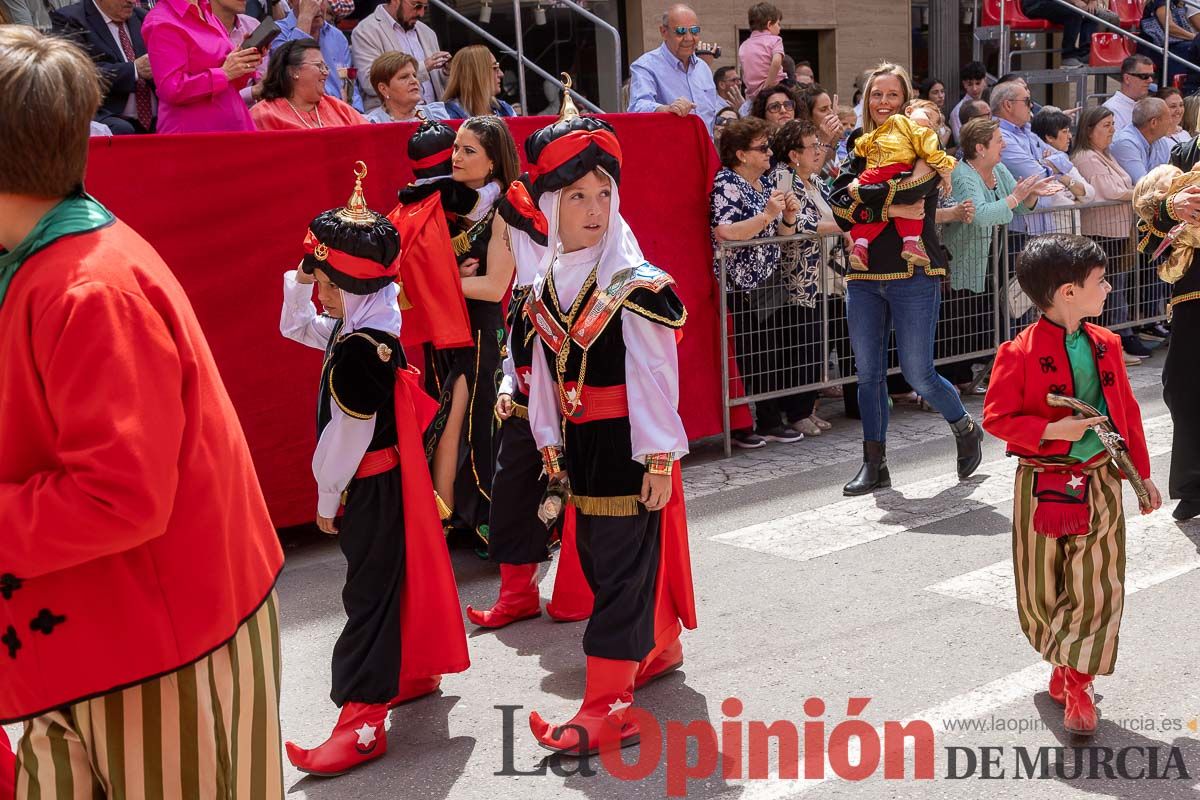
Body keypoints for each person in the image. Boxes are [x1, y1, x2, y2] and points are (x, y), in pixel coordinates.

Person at [0, 26, 285, 795]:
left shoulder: (86, 290)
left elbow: (118, 498)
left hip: (156, 654)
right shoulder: (45, 260)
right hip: (96, 642)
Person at [279, 164, 469, 776]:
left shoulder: (362, 348)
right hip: (386, 481)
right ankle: (411, 671)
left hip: (369, 483)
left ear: (353, 285)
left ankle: (361, 719)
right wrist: (301, 278)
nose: (323, 294)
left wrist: (327, 497)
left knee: (368, 592)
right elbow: (297, 327)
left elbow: (347, 435)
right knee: (389, 580)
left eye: (330, 282)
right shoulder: (364, 327)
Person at [522, 112, 697, 755]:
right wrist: (551, 449)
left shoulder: (636, 285)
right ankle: (659, 646)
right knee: (600, 563)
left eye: (603, 194)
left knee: (620, 571)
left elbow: (657, 377)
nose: (594, 209)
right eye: (576, 196)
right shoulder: (541, 287)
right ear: (550, 205)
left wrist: (658, 461)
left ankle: (606, 706)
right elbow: (541, 378)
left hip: (629, 445)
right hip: (581, 449)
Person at [982, 234, 1161, 737]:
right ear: (1066, 292)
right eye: (1099, 282)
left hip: (1101, 478)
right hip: (1042, 485)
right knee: (1042, 588)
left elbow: (1125, 413)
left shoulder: (1108, 344)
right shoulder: (1016, 352)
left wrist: (1141, 475)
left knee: (1098, 584)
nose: (1107, 289)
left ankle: (1079, 683)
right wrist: (1047, 431)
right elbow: (995, 417)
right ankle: (1063, 660)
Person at [467, 92, 597, 628]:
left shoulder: (601, 203)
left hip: (586, 336)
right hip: (528, 335)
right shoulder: (513, 206)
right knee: (514, 473)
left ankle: (584, 589)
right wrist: (504, 371)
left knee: (591, 477)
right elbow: (507, 290)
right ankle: (517, 591)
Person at [830, 62, 984, 494]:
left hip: (915, 271)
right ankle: (873, 462)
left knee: (918, 373)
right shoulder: (856, 146)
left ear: (905, 98)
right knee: (868, 374)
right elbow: (839, 204)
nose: (882, 103)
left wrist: (869, 202)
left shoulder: (923, 140)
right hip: (863, 275)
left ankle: (964, 425)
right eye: (875, 95)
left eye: (891, 95)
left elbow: (916, 191)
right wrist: (890, 209)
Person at [412, 117, 519, 549]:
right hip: (440, 328)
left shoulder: (505, 211)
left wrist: (441, 281)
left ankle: (486, 518)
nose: (456, 157)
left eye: (469, 151)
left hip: (479, 332)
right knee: (445, 418)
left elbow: (494, 286)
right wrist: (446, 277)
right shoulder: (442, 204)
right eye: (456, 147)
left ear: (493, 161)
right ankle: (446, 516)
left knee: (475, 422)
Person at [711, 116, 805, 448]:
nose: (769, 153)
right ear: (740, 154)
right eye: (762, 148)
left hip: (768, 279)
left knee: (772, 350)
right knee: (752, 355)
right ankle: (753, 422)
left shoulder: (765, 183)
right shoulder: (726, 183)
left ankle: (770, 418)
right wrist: (766, 214)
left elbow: (781, 234)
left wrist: (789, 215)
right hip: (740, 284)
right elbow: (725, 231)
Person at [942, 118, 1056, 388]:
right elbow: (979, 215)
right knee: (962, 320)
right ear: (980, 147)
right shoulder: (962, 175)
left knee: (987, 316)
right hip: (966, 258)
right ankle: (955, 381)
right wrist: (1016, 197)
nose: (1004, 144)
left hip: (994, 256)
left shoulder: (998, 168)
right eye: (998, 140)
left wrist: (1029, 194)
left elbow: (1016, 208)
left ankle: (979, 375)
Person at [1136, 147, 1200, 520]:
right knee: (1181, 386)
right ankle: (1193, 485)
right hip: (1192, 298)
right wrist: (1170, 207)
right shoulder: (1185, 153)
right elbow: (1147, 237)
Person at [772, 119, 845, 435]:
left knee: (818, 345)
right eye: (812, 146)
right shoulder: (783, 179)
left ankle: (808, 406)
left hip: (828, 274)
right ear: (793, 154)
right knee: (801, 345)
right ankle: (797, 410)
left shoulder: (816, 179)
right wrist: (845, 226)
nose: (819, 150)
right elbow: (797, 222)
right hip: (801, 275)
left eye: (820, 144)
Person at [844, 93, 956, 271]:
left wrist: (862, 189)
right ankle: (910, 242)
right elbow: (931, 155)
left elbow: (866, 142)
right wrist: (946, 171)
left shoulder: (888, 127)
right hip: (895, 171)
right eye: (927, 116)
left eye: (934, 123)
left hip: (871, 174)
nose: (930, 123)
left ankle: (860, 247)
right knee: (911, 206)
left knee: (907, 203)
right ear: (909, 111)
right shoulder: (918, 131)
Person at [1071, 105, 1144, 364]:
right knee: (1102, 295)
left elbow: (1120, 186)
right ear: (1089, 130)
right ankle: (1104, 350)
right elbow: (1109, 191)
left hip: (1117, 230)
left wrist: (1134, 190)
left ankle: (1112, 346)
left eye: (1113, 124)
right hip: (1101, 233)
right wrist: (1141, 192)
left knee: (1114, 292)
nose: (1112, 130)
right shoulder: (1086, 157)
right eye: (1106, 125)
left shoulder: (1105, 155)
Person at [141, 0, 261, 133]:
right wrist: (224, 73)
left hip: (233, 126)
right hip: (195, 136)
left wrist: (244, 61)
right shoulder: (161, 21)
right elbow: (172, 89)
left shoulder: (205, 10)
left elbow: (231, 83)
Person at [51, 0, 157, 134]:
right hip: (109, 117)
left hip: (157, 117)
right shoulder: (71, 20)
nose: (132, 1)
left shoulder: (143, 17)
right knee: (122, 130)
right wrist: (134, 70)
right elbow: (75, 76)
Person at [627, 3, 721, 135]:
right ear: (664, 32)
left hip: (704, 151)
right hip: (669, 152)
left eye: (694, 31)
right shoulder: (646, 66)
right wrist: (666, 109)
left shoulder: (703, 68)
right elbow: (637, 108)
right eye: (680, 31)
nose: (688, 38)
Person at [351, 0, 449, 110]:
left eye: (425, 8)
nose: (421, 13)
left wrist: (446, 72)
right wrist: (423, 67)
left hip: (435, 118)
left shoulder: (427, 32)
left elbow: (439, 86)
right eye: (417, 6)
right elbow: (370, 83)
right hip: (392, 120)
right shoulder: (365, 31)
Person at [251, 39, 367, 130]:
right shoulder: (263, 115)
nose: (326, 73)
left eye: (325, 67)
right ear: (294, 71)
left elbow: (370, 136)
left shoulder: (339, 107)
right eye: (318, 66)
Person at [273, 0, 362, 110]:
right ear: (291, 2)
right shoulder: (276, 32)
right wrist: (305, 19)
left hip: (339, 114)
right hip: (298, 113)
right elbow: (287, 74)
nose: (317, 6)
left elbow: (351, 87)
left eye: (322, 0)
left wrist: (357, 114)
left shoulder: (337, 36)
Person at [426, 45, 515, 119]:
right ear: (476, 74)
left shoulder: (505, 110)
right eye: (495, 68)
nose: (501, 74)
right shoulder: (444, 115)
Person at [1031, 106, 1095, 203]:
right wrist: (1077, 201)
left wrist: (1061, 176)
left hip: (1071, 217)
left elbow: (1090, 194)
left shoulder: (1062, 160)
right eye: (1065, 132)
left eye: (1069, 131)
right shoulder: (1038, 164)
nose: (1069, 136)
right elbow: (1058, 203)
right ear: (1049, 137)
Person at [1019, 0, 1110, 67]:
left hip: (1058, 3)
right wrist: (1075, 1)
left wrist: (1092, 2)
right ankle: (1068, 56)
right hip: (1035, 4)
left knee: (1091, 13)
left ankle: (1085, 54)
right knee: (1074, 13)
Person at [1109, 97, 1173, 183]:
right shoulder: (1125, 143)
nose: (1171, 121)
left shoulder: (1160, 141)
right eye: (1168, 117)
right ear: (1154, 123)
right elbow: (1143, 183)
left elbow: (1169, 176)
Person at [1142, 0, 1200, 90]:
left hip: (1176, 44)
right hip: (1156, 46)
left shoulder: (1177, 2)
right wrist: (1195, 37)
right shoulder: (1161, 2)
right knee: (1192, 48)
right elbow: (1170, 27)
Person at [738, 2, 784, 100]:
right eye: (778, 24)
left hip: (753, 95)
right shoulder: (775, 40)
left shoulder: (743, 45)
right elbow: (776, 62)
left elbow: (744, 72)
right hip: (775, 87)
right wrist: (767, 87)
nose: (780, 28)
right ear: (769, 24)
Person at [365, 50, 428, 122]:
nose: (414, 81)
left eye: (414, 75)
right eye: (404, 77)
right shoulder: (371, 124)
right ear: (383, 89)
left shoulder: (437, 114)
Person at [1103, 55, 1156, 131]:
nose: (1150, 80)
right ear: (1127, 78)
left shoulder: (1149, 107)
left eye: (1152, 76)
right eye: (1144, 76)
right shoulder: (1111, 109)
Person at [949, 60, 987, 142]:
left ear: (985, 81)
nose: (974, 88)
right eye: (970, 84)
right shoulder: (957, 112)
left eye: (978, 83)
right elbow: (960, 142)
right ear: (964, 84)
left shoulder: (989, 103)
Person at [918, 77, 949, 144]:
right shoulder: (924, 116)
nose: (940, 96)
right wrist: (948, 133)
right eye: (935, 93)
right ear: (927, 95)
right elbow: (934, 147)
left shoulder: (941, 115)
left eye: (942, 91)